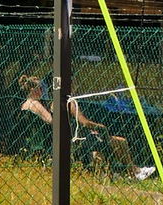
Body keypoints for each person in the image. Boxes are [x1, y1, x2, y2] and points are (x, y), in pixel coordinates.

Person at [19, 77, 155, 180]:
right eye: (40, 88)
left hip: (55, 139)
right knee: (120, 141)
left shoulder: (35, 104)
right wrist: (99, 127)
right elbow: (81, 122)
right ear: (33, 90)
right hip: (73, 139)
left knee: (110, 142)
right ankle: (134, 172)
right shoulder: (60, 102)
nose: (42, 91)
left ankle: (124, 172)